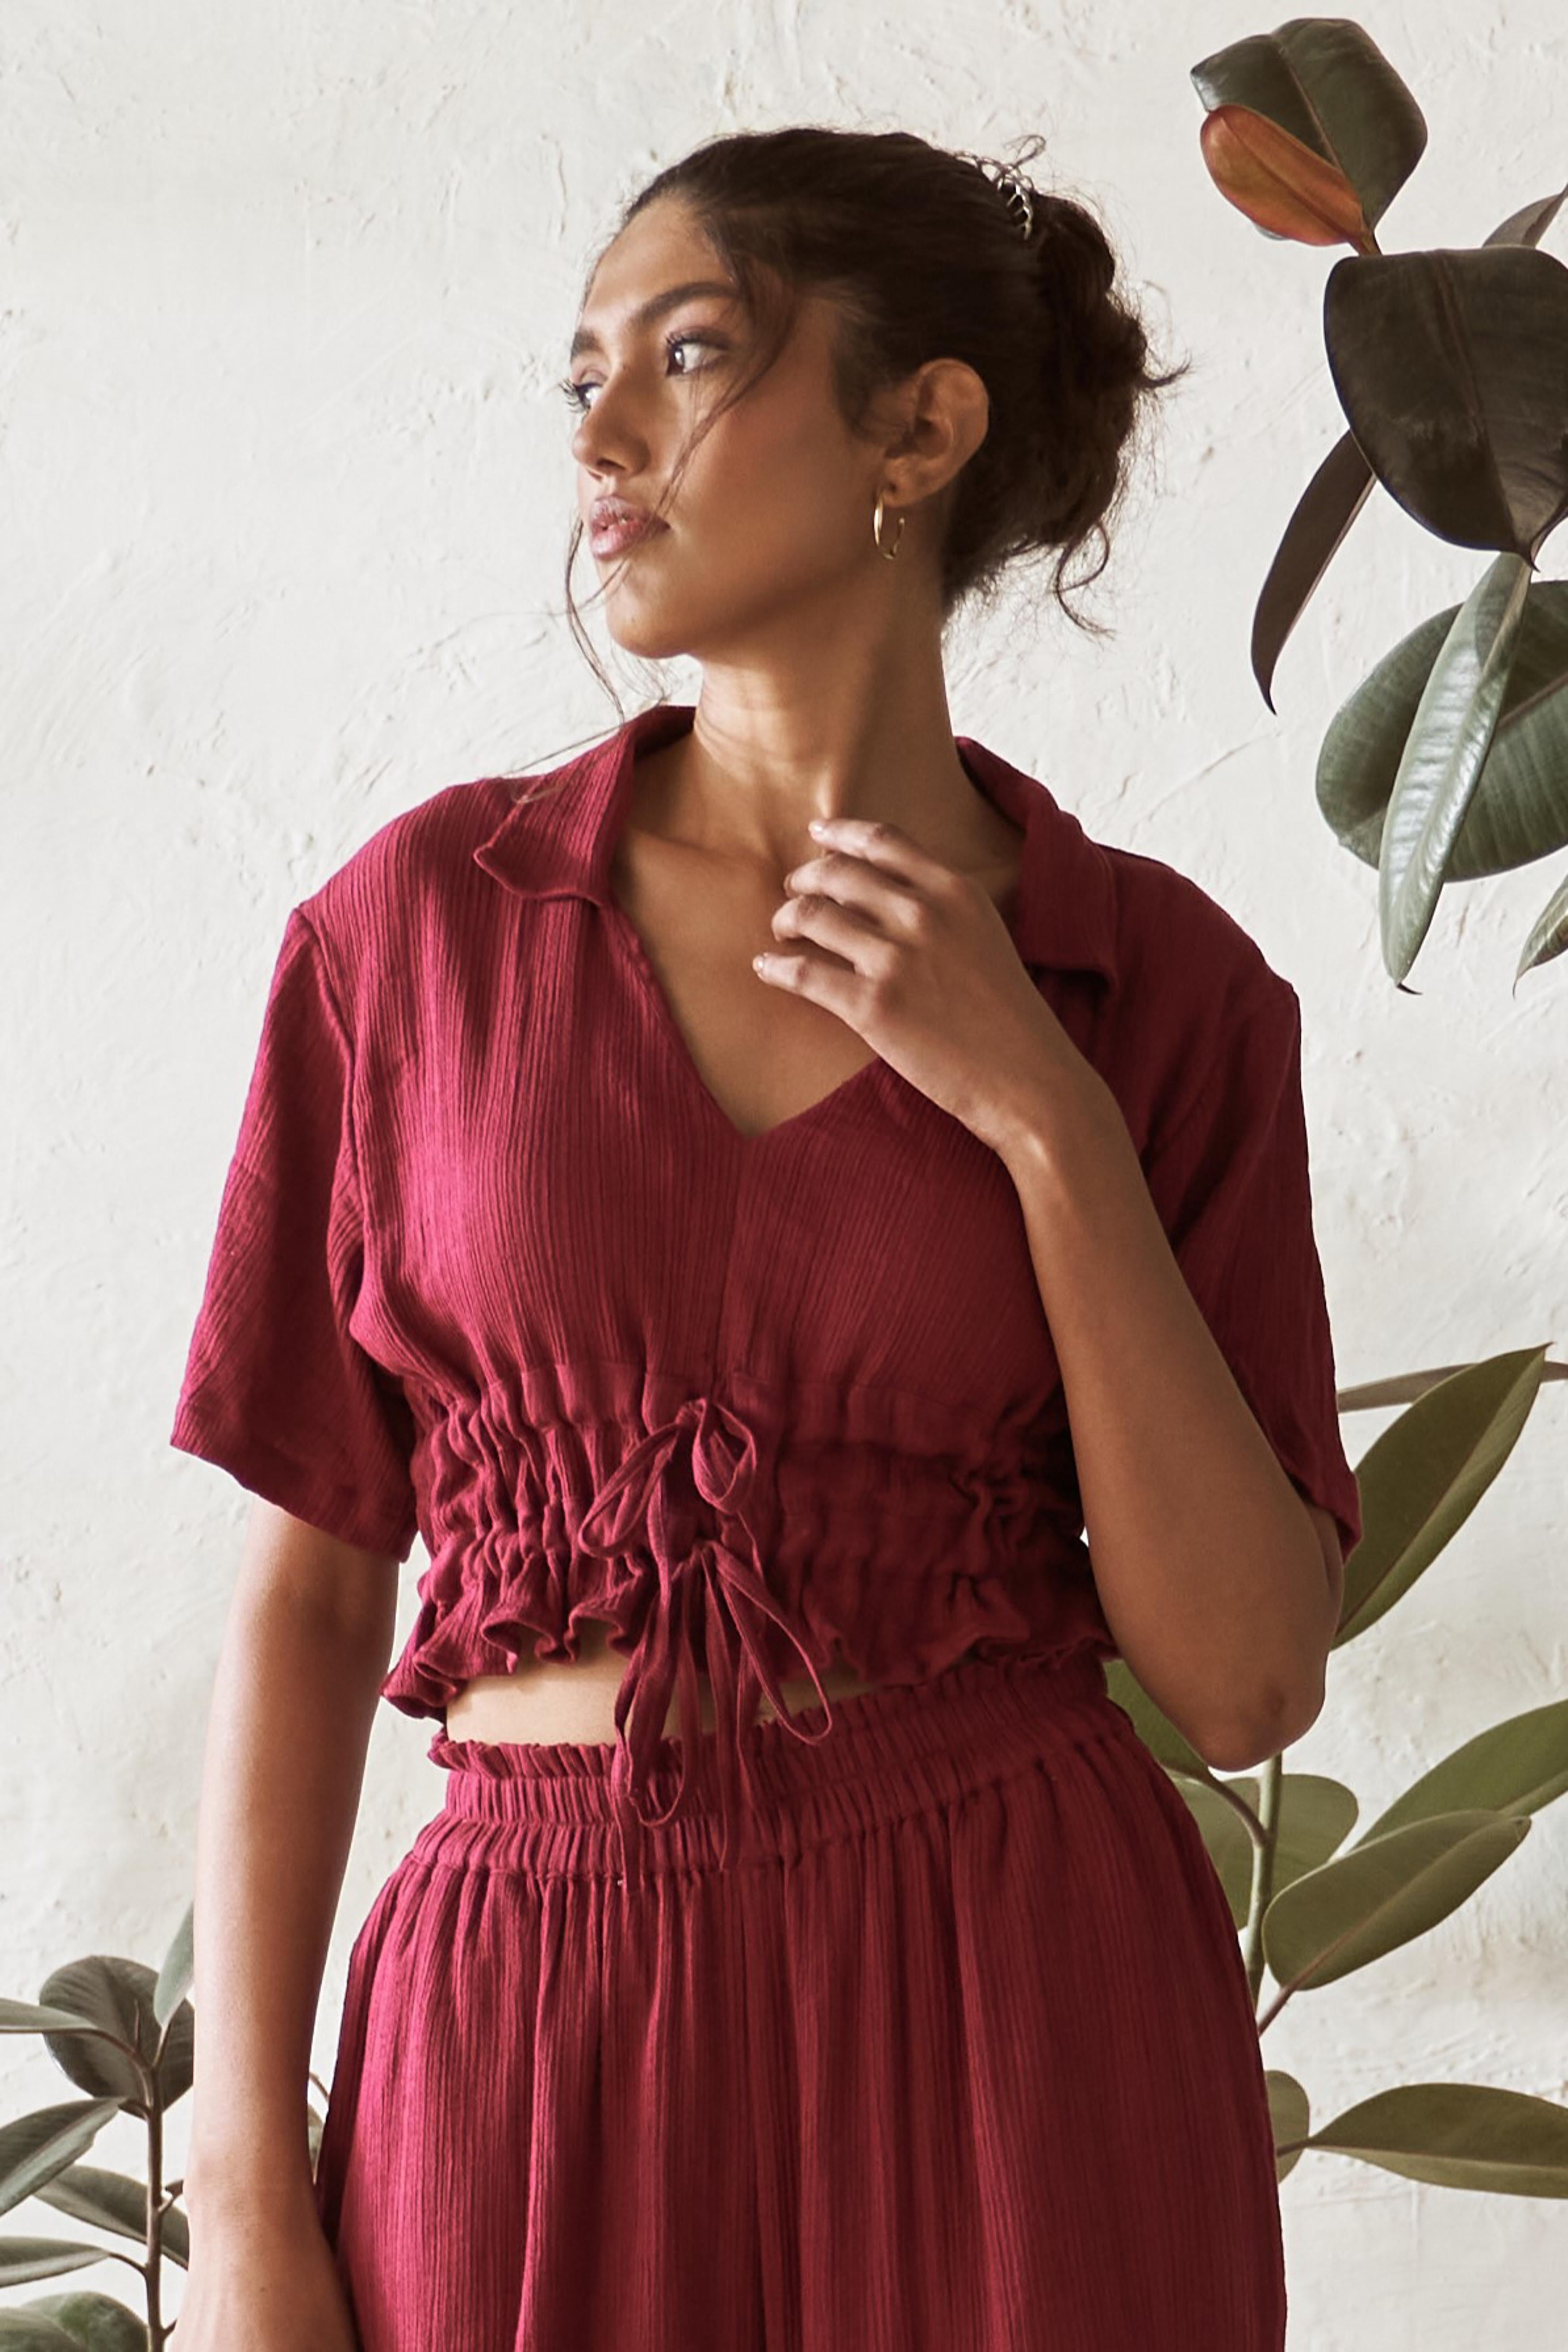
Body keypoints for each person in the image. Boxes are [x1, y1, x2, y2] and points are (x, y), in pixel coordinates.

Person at [168, 125, 1362, 2352]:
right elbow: (314, 1595)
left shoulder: (1160, 991)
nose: (601, 435)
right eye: (582, 377)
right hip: (521, 2023)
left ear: (920, 427)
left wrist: (1041, 1115)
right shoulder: (418, 934)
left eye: (689, 355)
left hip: (1011, 2005)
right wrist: (240, 2194)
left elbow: (1242, 1678)